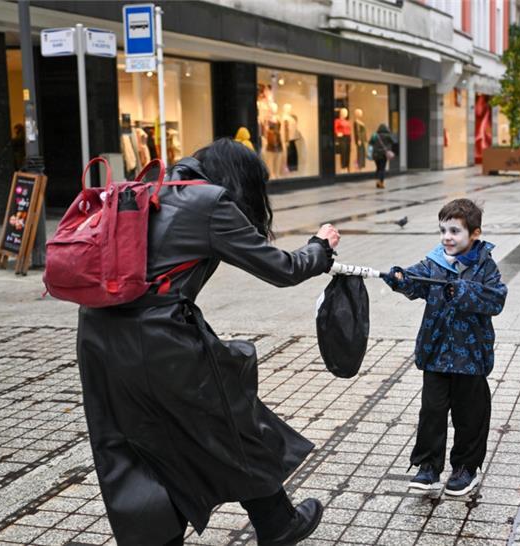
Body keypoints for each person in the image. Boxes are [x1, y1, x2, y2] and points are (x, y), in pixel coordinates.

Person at [76, 138, 340, 545]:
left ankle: (264, 523)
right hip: (157, 342)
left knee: (131, 446)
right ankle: (277, 522)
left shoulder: (149, 189)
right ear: (243, 180)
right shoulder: (209, 202)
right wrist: (319, 247)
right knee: (230, 421)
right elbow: (281, 269)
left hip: (97, 338)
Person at [383, 199, 507, 496]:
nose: (447, 237)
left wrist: (462, 290)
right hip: (436, 353)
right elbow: (415, 282)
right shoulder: (434, 262)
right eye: (443, 230)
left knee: (470, 415)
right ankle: (428, 466)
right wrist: (399, 279)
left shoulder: (485, 266)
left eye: (454, 231)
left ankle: (466, 468)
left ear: (474, 234)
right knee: (432, 412)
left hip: (471, 357)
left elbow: (496, 299)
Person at [369, 123, 395, 189]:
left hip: (375, 154)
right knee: (382, 168)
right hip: (383, 154)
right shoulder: (388, 135)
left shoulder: (375, 135)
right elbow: (394, 141)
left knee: (378, 168)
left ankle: (378, 181)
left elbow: (370, 143)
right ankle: (381, 182)